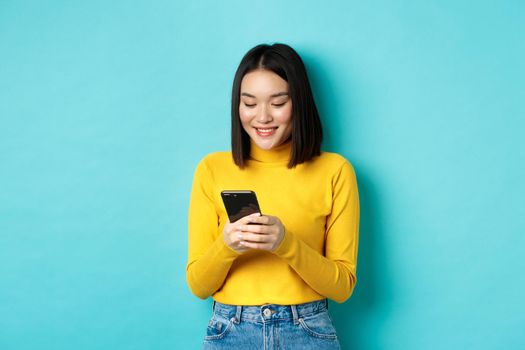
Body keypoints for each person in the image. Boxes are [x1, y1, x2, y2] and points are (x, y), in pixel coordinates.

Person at [186, 43, 360, 350]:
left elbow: (342, 287)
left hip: (308, 330)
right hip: (231, 330)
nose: (262, 117)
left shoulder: (335, 171)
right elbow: (199, 286)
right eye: (249, 103)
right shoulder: (212, 169)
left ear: (299, 103)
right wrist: (227, 245)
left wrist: (286, 244)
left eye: (278, 103)